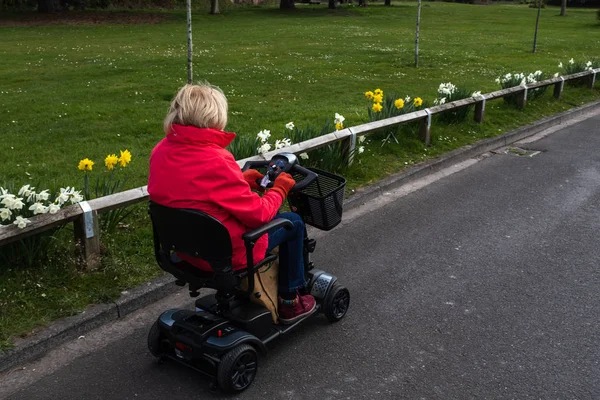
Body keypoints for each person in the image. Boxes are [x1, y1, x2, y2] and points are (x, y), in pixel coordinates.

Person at [148, 82, 316, 324]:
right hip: (228, 254)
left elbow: (197, 189)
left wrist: (241, 180)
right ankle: (290, 301)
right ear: (214, 116)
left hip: (185, 250)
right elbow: (259, 215)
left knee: (282, 222)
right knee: (293, 223)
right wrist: (279, 189)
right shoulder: (216, 160)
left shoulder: (161, 151)